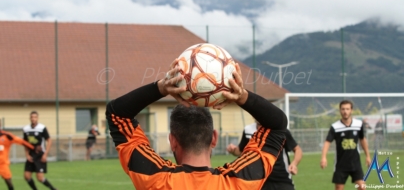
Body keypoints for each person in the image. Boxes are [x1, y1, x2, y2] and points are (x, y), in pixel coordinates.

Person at [106, 61, 288, 190]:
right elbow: (277, 125)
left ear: (172, 141)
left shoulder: (156, 180)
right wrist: (241, 96)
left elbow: (117, 113)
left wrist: (161, 87)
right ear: (214, 138)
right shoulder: (238, 182)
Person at [227, 121, 303, 190]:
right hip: (259, 179)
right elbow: (241, 152)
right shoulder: (248, 130)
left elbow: (297, 150)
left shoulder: (280, 130)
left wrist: (294, 164)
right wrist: (234, 150)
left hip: (281, 179)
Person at [320, 100, 371, 190]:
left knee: (362, 187)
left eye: (347, 109)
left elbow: (362, 140)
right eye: (343, 109)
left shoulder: (358, 124)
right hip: (341, 164)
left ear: (351, 110)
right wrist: (324, 157)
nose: (345, 111)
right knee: (339, 188)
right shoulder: (335, 127)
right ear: (340, 110)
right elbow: (327, 142)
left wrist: (368, 156)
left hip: (355, 163)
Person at [23, 111, 57, 190]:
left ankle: (53, 189)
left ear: (37, 118)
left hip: (40, 155)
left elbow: (49, 140)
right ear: (30, 118)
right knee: (27, 176)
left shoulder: (42, 128)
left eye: (35, 117)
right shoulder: (26, 129)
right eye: (32, 117)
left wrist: (45, 154)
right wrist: (27, 155)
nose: (33, 119)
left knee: (40, 178)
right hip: (31, 155)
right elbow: (25, 143)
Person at [0, 120, 34, 190]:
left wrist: (32, 147)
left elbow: (21, 141)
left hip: (2, 164)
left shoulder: (7, 135)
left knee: (8, 182)